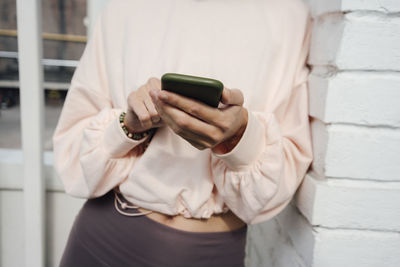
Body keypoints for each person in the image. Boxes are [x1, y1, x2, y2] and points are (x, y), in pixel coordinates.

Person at [53, 0, 313, 266]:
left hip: (210, 252)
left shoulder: (288, 14)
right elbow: (72, 149)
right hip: (104, 238)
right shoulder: (124, 8)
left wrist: (239, 137)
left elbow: (286, 172)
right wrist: (129, 126)